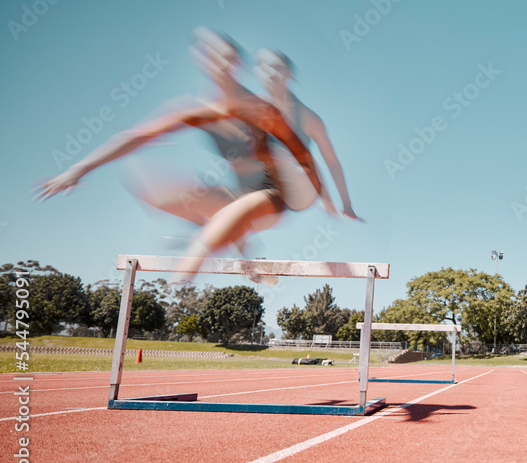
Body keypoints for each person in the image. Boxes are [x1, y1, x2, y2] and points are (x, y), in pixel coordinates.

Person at [35, 28, 337, 281]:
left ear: (237, 64)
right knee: (147, 181)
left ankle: (197, 261)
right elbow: (138, 136)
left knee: (225, 222)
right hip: (235, 196)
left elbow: (299, 150)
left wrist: (321, 193)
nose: (220, 65)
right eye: (211, 57)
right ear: (201, 61)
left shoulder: (258, 107)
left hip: (275, 196)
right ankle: (235, 244)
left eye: (227, 58)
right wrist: (79, 169)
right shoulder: (196, 109)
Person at [255, 48, 361, 220]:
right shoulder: (254, 108)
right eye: (265, 68)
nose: (271, 74)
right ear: (258, 73)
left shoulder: (309, 119)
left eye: (277, 68)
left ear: (289, 74)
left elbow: (332, 164)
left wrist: (346, 205)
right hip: (266, 184)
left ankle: (323, 199)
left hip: (299, 191)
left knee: (294, 156)